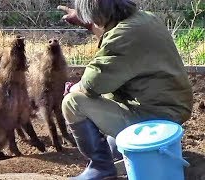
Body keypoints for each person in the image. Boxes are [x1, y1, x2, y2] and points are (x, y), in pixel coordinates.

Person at [58, 0, 193, 179]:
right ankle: (134, 150)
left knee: (73, 102)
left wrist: (72, 88)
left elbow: (92, 84)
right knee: (115, 144)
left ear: (97, 14)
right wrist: (87, 20)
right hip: (171, 105)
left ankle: (100, 168)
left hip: (154, 115)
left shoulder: (123, 35)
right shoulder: (145, 19)